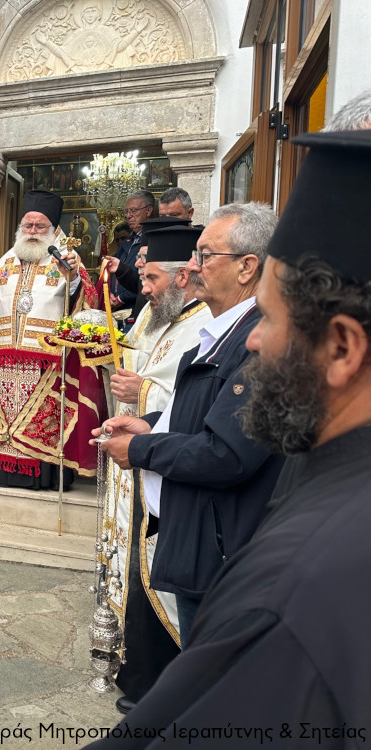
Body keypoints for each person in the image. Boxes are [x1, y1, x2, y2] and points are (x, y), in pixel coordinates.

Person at [88, 128, 371, 750]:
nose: (251, 340)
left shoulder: (298, 583)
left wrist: (142, 446)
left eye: (268, 318)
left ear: (344, 348)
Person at [94, 202, 284, 642]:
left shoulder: (258, 339)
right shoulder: (227, 328)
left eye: (204, 255)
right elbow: (205, 416)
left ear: (246, 267)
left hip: (221, 549)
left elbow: (226, 453)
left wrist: (141, 450)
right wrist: (153, 425)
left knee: (214, 683)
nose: (192, 267)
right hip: (203, 537)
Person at [102, 226, 212, 714]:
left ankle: (162, 687)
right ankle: (137, 669)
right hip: (138, 456)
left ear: (182, 276)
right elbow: (140, 362)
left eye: (149, 278)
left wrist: (140, 392)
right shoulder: (157, 312)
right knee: (132, 567)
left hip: (165, 466)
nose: (141, 287)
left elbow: (189, 402)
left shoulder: (202, 321)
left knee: (153, 569)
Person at [0, 189, 103, 490]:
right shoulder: (5, 262)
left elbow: (88, 302)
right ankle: (5, 473)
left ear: (52, 230)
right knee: (7, 416)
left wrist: (74, 278)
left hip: (48, 359)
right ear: (20, 229)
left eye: (40, 226)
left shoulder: (65, 259)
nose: (33, 231)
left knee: (45, 417)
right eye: (28, 226)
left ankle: (48, 476)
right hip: (5, 357)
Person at [109, 190, 156, 311]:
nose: (128, 216)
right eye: (127, 211)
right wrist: (109, 293)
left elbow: (147, 279)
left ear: (148, 210)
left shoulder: (152, 239)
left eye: (133, 211)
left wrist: (121, 298)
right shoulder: (127, 242)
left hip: (137, 308)